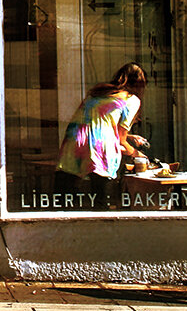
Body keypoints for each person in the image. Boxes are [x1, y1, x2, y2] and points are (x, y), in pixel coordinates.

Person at [55, 63, 151, 209]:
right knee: (101, 203)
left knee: (63, 201)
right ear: (141, 85)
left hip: (74, 144)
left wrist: (131, 137)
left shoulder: (99, 94)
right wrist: (139, 156)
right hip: (100, 148)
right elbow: (121, 141)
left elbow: (97, 125)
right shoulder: (131, 100)